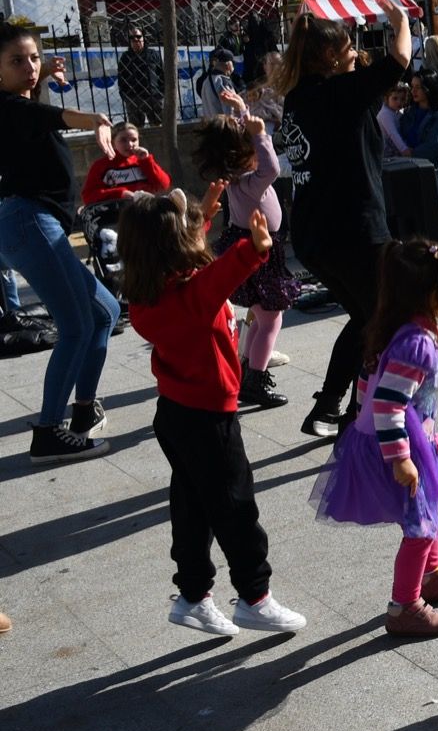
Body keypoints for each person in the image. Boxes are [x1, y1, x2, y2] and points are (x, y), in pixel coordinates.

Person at [119, 187, 312, 639]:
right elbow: (220, 275)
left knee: (193, 506)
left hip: (175, 414)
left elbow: (194, 269)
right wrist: (255, 248)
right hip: (208, 418)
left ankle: (192, 597)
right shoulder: (191, 296)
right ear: (172, 245)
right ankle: (254, 598)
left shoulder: (148, 295)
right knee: (235, 506)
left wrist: (199, 217)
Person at [309, 240, 438, 638]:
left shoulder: (397, 328)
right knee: (419, 525)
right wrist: (401, 457)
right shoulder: (415, 343)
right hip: (396, 445)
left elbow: (368, 384)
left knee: (430, 512)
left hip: (406, 438)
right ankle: (404, 607)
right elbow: (387, 406)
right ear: (433, 294)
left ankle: (431, 576)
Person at [0, 28, 115, 460]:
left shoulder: (21, 98)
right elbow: (49, 119)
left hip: (36, 222)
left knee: (104, 312)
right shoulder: (8, 108)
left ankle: (83, 410)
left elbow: (34, 99)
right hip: (28, 221)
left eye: (33, 58)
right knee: (76, 327)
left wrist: (43, 73)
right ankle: (47, 432)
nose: (29, 67)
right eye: (17, 61)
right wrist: (96, 121)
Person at [190, 100, 297, 411]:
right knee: (271, 320)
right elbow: (273, 167)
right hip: (260, 251)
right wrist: (262, 134)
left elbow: (236, 137)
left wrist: (240, 108)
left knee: (262, 316)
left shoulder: (236, 176)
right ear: (246, 150)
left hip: (252, 248)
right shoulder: (252, 181)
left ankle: (247, 368)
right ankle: (256, 380)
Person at [118, 28, 165, 126]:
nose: (136, 39)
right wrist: (126, 96)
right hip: (134, 97)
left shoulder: (153, 54)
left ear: (143, 38)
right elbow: (121, 78)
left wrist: (161, 93)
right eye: (132, 37)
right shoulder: (126, 57)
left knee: (158, 126)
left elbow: (162, 74)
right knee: (136, 129)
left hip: (153, 96)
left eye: (138, 36)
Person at [194, 47, 237, 120]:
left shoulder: (206, 80)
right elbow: (230, 109)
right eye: (233, 63)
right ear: (228, 65)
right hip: (224, 126)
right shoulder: (223, 81)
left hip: (212, 126)